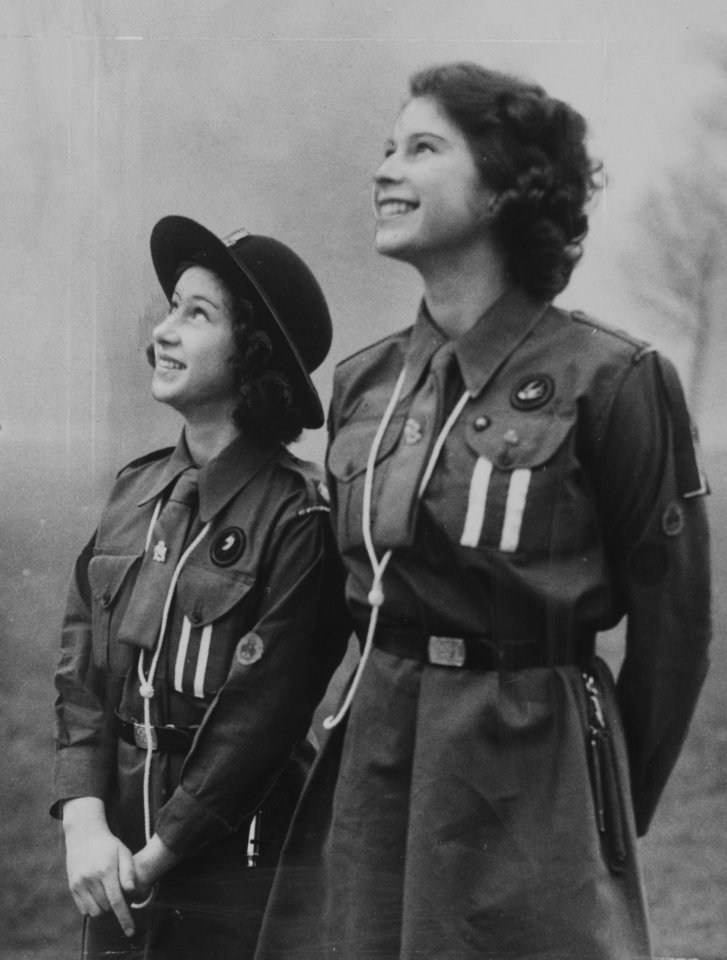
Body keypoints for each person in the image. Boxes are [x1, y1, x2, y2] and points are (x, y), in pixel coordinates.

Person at [254, 62, 712, 960]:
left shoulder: (611, 380)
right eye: (387, 148)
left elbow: (675, 632)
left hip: (528, 770)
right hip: (376, 765)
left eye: (421, 149)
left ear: (507, 187)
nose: (385, 169)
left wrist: (603, 801)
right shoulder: (365, 382)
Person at [51, 215, 350, 959]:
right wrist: (86, 823)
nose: (164, 332)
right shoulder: (135, 492)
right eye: (169, 309)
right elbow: (81, 671)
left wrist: (156, 857)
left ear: (254, 355)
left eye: (196, 314)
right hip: (113, 856)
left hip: (241, 861)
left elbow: (263, 718)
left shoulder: (301, 515)